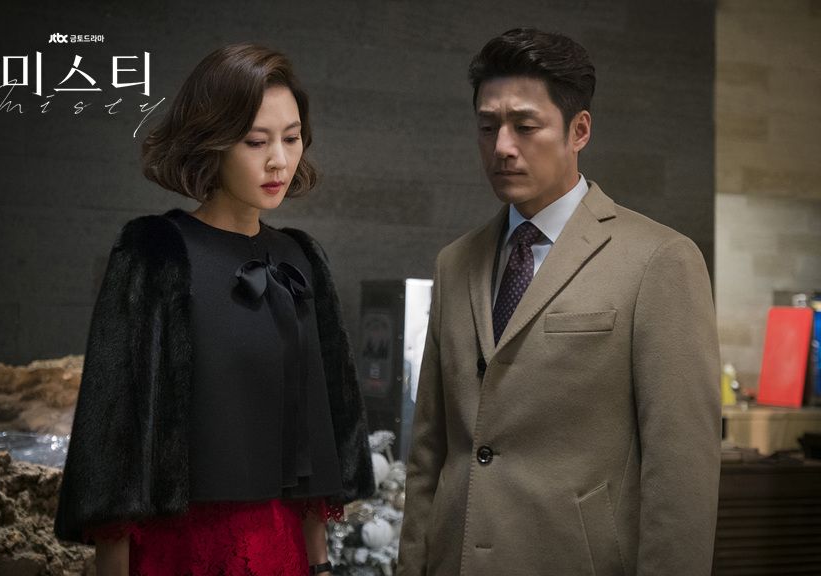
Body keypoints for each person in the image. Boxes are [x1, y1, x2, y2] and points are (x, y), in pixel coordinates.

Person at [396, 28, 720, 576]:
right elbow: (429, 449)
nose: (502, 146)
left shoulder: (658, 259)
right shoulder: (455, 262)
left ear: (579, 130)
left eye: (525, 127)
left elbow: (681, 470)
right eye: (487, 127)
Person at [54, 43, 374, 576]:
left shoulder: (301, 258)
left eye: (292, 138)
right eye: (256, 141)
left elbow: (322, 420)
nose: (279, 160)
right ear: (213, 141)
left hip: (280, 546)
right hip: (180, 546)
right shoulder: (155, 251)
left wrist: (319, 563)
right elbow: (114, 427)